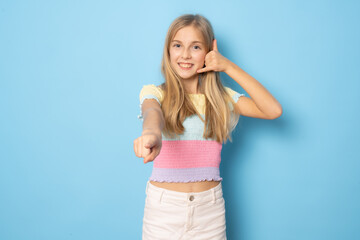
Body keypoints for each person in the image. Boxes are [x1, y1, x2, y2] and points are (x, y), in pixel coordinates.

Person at [133, 13, 282, 240]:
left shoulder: (221, 99)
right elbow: (152, 114)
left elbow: (273, 110)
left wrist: (228, 66)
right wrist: (150, 133)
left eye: (195, 47)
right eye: (177, 45)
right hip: (164, 212)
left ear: (208, 53)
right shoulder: (156, 93)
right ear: (168, 50)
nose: (185, 54)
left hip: (209, 211)